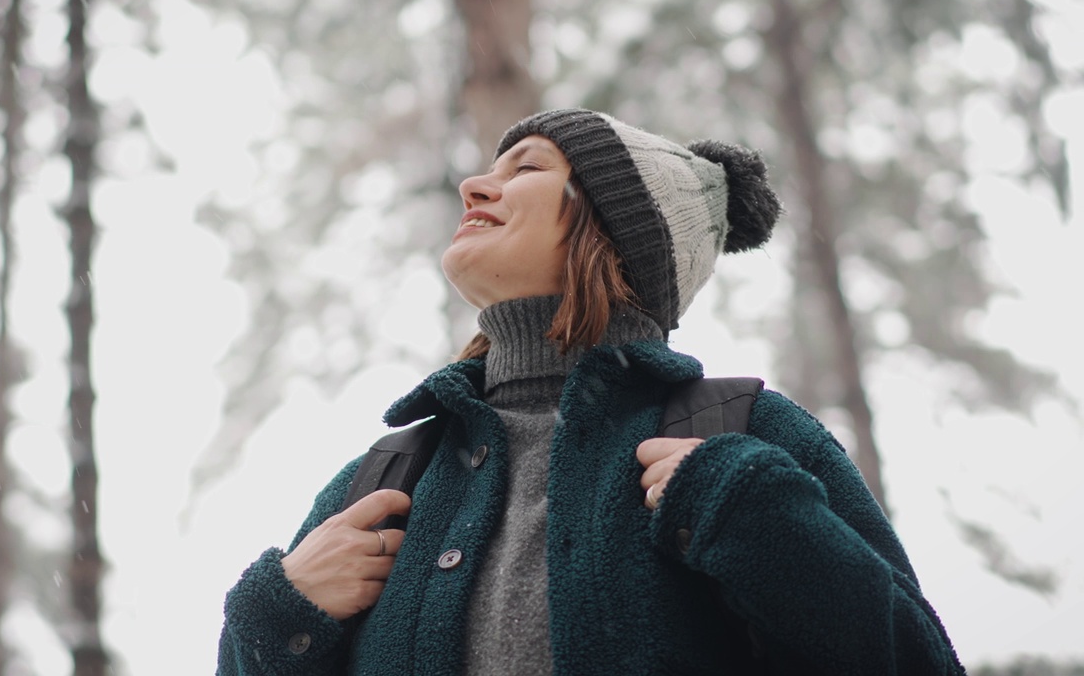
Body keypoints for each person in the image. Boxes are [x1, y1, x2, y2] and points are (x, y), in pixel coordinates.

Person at [215, 108, 966, 675]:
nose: (476, 185)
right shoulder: (380, 481)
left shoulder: (749, 439)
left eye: (528, 169)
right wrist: (279, 615)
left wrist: (756, 518)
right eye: (491, 169)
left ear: (612, 228)